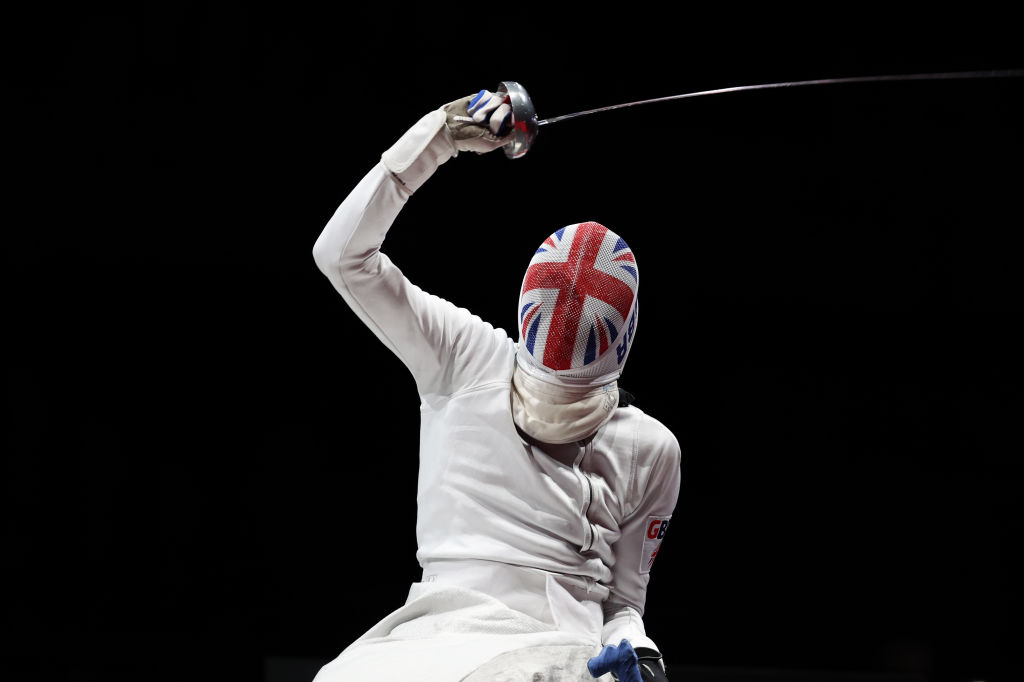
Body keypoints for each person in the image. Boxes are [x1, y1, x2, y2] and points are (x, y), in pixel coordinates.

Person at [311, 87, 681, 681]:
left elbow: (343, 256)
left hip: (428, 658)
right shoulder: (649, 445)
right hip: (482, 652)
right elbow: (624, 607)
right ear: (629, 334)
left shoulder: (464, 355)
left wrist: (439, 137)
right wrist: (632, 641)